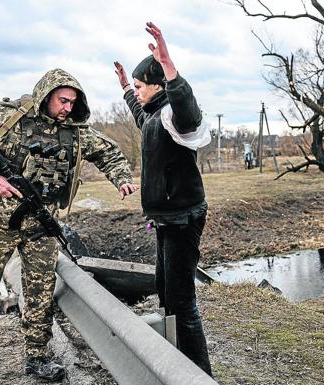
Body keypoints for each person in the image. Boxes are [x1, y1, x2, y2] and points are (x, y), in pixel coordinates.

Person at [0, 68, 138, 385]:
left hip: (40, 224)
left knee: (40, 293)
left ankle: (37, 355)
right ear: (47, 95)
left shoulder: (75, 131)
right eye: (63, 101)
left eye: (72, 102)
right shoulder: (8, 118)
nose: (67, 108)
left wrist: (121, 179)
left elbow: (108, 152)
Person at [113, 22, 212, 375]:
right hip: (166, 218)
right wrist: (126, 86)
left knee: (182, 302)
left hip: (182, 218)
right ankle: (176, 363)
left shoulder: (174, 114)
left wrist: (170, 68)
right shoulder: (155, 115)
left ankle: (199, 374)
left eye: (141, 86)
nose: (138, 92)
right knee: (164, 289)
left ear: (158, 85)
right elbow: (141, 114)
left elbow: (189, 112)